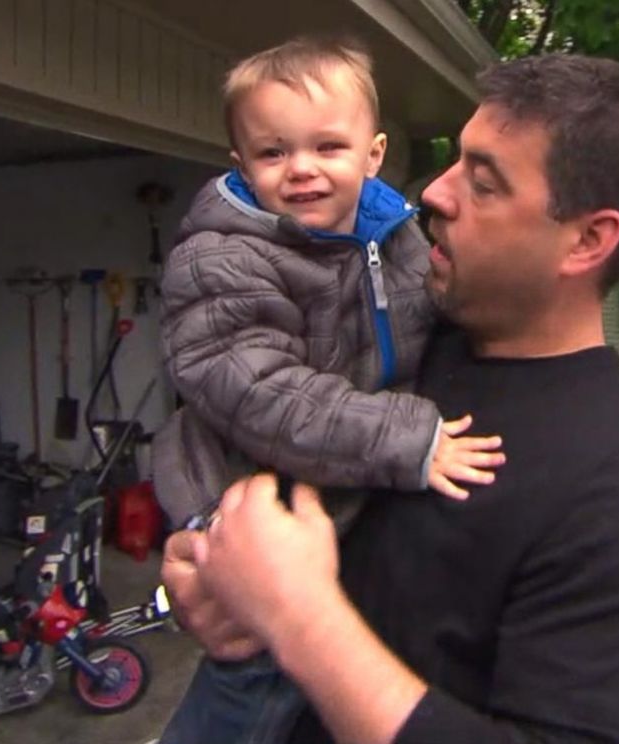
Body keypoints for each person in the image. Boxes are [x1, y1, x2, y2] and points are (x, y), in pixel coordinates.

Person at [163, 52, 619, 743]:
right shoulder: (401, 338)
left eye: (483, 183)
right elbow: (254, 403)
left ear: (587, 239)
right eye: (453, 162)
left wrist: (303, 624)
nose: (435, 192)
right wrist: (205, 567)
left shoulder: (616, 490)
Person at [152, 35, 506, 744]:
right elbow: (263, 395)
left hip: (340, 504)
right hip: (252, 509)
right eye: (273, 152)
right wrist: (409, 438)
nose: (302, 168)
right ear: (241, 164)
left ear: (373, 155)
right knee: (252, 686)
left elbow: (435, 318)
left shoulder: (396, 239)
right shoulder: (222, 259)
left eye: (328, 147)